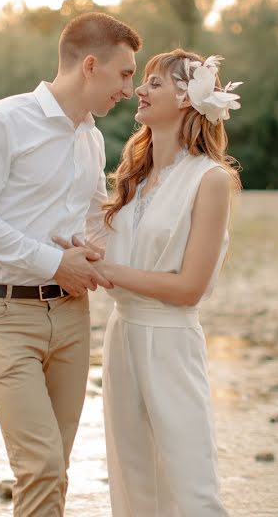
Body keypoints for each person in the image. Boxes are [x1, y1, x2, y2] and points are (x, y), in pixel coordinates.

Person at [0, 12, 141, 517]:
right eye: (125, 74)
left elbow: (93, 221)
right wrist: (54, 261)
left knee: (58, 465)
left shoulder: (91, 137)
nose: (129, 88)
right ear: (91, 65)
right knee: (41, 465)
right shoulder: (3, 121)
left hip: (73, 316)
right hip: (2, 314)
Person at [56, 49, 242, 516]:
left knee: (188, 480)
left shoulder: (210, 179)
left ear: (187, 99)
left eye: (154, 83)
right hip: (123, 336)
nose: (138, 89)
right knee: (133, 480)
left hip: (171, 339)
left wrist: (106, 273)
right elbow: (89, 237)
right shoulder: (131, 182)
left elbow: (190, 288)